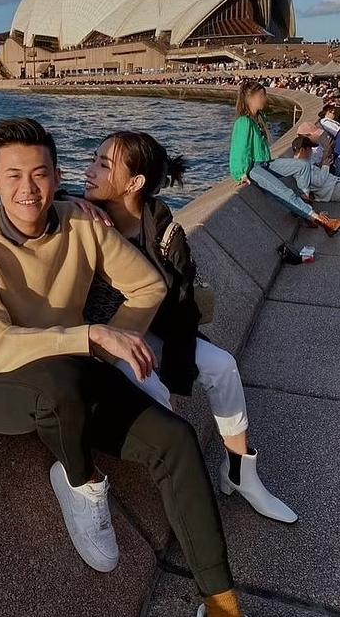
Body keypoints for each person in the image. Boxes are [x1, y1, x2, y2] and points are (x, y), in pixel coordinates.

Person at [0, 118, 243, 617]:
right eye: (13, 176)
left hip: (74, 369)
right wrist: (91, 335)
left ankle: (221, 599)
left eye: (39, 174)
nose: (27, 188)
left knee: (176, 440)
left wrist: (111, 340)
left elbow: (148, 285)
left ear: (57, 176)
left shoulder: (82, 223)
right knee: (59, 378)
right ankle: (80, 481)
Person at [61, 131, 297, 526]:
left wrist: (178, 362)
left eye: (103, 164)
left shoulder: (162, 227)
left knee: (222, 365)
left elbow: (180, 304)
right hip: (99, 338)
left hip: (153, 329)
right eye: (94, 159)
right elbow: (34, 206)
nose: (89, 171)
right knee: (152, 390)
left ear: (135, 183)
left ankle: (241, 473)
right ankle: (181, 490)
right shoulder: (79, 212)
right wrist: (68, 201)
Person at [229, 79, 340, 235]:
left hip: (265, 163)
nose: (264, 99)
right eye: (261, 96)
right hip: (253, 168)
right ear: (251, 98)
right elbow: (238, 150)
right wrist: (241, 173)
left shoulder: (258, 120)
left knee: (302, 165)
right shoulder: (244, 122)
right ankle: (322, 222)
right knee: (284, 191)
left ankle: (304, 200)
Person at [292, 135, 340, 201]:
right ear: (302, 150)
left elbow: (318, 172)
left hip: (334, 184)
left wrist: (326, 159)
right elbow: (318, 182)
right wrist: (325, 166)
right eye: (310, 149)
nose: (311, 151)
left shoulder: (305, 161)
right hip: (331, 190)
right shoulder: (299, 168)